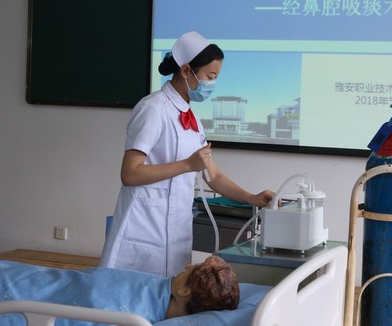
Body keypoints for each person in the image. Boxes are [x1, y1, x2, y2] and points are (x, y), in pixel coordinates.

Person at [100, 31, 274, 277]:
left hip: (177, 231)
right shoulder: (153, 108)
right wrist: (187, 165)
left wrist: (252, 198)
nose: (212, 84)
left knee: (173, 295)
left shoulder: (192, 119)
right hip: (143, 229)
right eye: (210, 77)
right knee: (131, 295)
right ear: (185, 70)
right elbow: (129, 174)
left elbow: (214, 176)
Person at [0, 255, 240, 324]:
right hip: (49, 280)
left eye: (192, 269)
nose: (188, 265)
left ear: (184, 291)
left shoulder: (136, 316)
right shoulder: (156, 290)